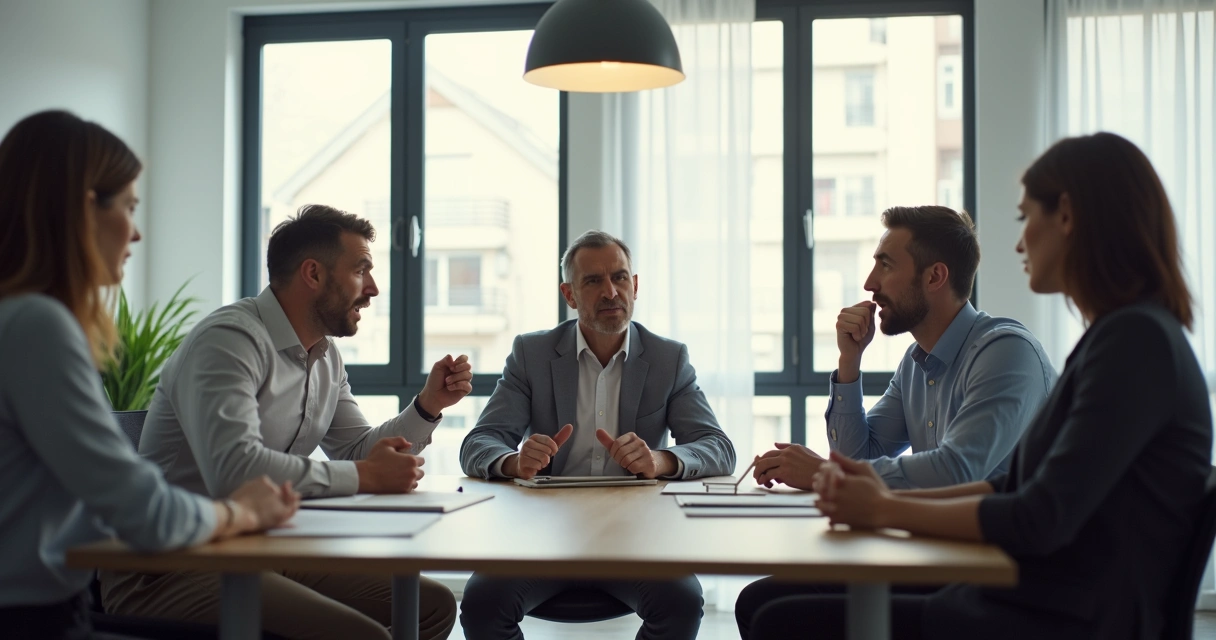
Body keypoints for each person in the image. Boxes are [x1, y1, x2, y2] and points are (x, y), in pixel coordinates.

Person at [747, 132, 1213, 640]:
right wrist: (865, 489)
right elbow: (1009, 488)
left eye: (1024, 218)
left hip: (1061, 617)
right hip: (1042, 598)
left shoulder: (1133, 343)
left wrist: (879, 506)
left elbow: (1037, 515)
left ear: (1067, 216)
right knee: (764, 603)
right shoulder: (1121, 337)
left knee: (776, 618)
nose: (1019, 242)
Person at [99, 205, 472, 639]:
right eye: (360, 270)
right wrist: (365, 474)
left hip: (263, 546)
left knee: (433, 605)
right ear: (313, 274)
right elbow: (236, 471)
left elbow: (357, 452)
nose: (373, 289)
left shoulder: (325, 356)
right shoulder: (229, 341)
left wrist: (428, 405)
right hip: (170, 565)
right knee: (363, 636)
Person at [0, 110, 299, 640]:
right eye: (129, 207)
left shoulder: (20, 319)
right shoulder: (37, 326)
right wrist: (240, 513)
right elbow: (143, 512)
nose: (136, 233)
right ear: (83, 209)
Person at [737, 206, 1059, 635]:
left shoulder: (1005, 352)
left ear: (935, 276)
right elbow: (859, 456)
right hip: (936, 553)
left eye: (885, 265)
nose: (869, 284)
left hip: (996, 577)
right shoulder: (915, 362)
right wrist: (849, 362)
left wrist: (823, 475)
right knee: (757, 601)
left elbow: (955, 470)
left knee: (775, 617)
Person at [458, 230, 736, 640]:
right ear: (569, 294)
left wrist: (660, 460)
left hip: (635, 537)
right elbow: (477, 444)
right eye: (592, 281)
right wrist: (514, 461)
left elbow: (719, 448)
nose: (610, 291)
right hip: (542, 535)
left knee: (681, 603)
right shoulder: (531, 354)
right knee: (482, 606)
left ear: (634, 285)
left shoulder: (668, 358)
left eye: (620, 277)